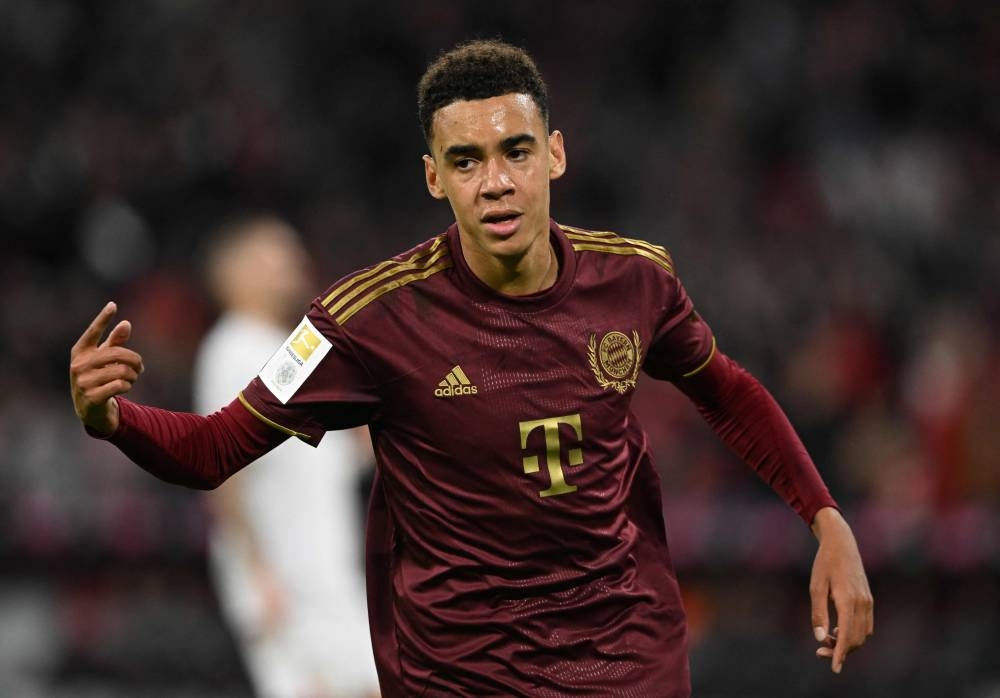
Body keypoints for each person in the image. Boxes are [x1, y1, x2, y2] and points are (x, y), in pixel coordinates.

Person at [69, 40, 873, 697]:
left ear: (554, 154)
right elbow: (213, 449)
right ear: (434, 177)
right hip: (460, 673)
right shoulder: (365, 320)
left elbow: (725, 390)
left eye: (516, 151)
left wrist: (826, 518)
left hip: (621, 656)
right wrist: (114, 420)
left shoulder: (636, 281)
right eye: (465, 160)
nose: (495, 182)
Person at [193, 215, 380, 698]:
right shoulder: (231, 347)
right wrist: (254, 572)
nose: (294, 260)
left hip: (327, 572)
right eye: (276, 252)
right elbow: (220, 467)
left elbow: (336, 458)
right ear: (234, 273)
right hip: (286, 582)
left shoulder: (290, 349)